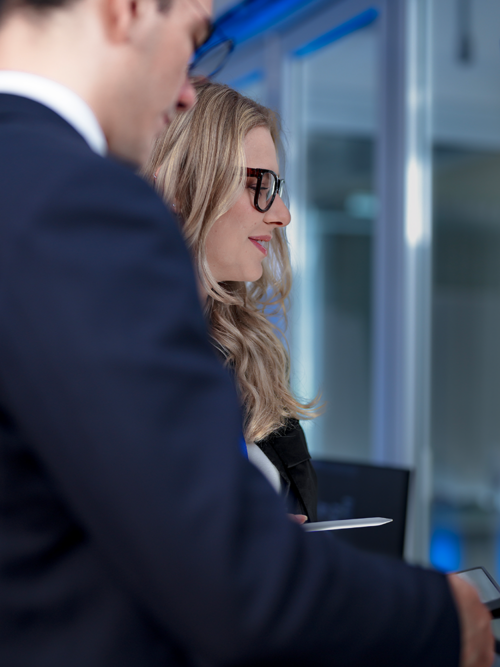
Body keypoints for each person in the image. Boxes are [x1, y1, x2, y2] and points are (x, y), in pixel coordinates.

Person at [0, 0, 495, 665]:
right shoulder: (78, 206)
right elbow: (234, 583)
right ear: (126, 8)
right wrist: (441, 615)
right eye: (192, 35)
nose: (188, 93)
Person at [145, 81, 319, 522]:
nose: (282, 214)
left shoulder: (240, 355)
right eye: (260, 184)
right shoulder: (110, 355)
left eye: (277, 186)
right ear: (182, 185)